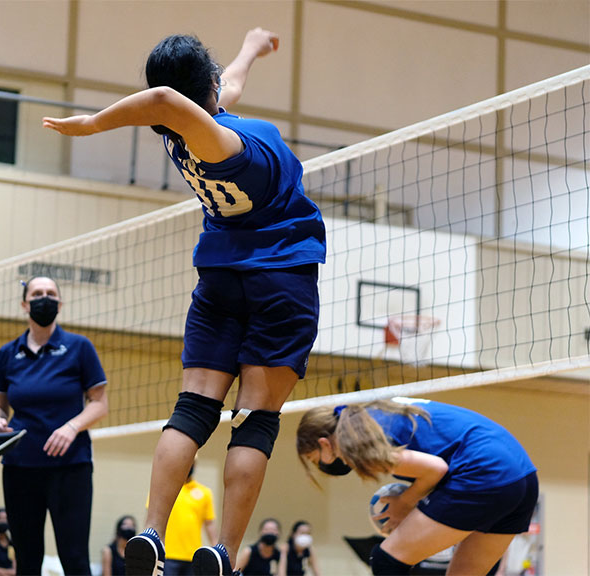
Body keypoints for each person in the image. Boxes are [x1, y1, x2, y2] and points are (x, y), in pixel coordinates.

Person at [44, 27, 325, 576]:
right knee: (256, 417)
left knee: (195, 406)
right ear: (208, 89)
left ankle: (152, 529)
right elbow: (168, 99)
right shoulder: (229, 143)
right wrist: (92, 124)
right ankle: (225, 551)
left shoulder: (187, 136)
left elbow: (193, 98)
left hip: (220, 275)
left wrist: (248, 49)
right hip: (281, 277)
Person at [295, 397, 538, 576]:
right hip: (522, 475)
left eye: (316, 460)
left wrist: (405, 503)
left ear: (325, 443)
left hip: (485, 470)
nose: (321, 467)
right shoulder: (373, 413)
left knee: (385, 560)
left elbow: (435, 468)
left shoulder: (362, 439)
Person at [0, 276, 109, 576]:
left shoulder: (79, 347)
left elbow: (100, 403)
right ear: (24, 304)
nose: (45, 298)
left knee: (75, 558)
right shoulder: (7, 354)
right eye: (38, 293)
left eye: (51, 293)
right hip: (20, 467)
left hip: (70, 468)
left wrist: (71, 427)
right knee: (27, 561)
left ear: (60, 303)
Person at [161, 461, 218, 576]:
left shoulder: (204, 493)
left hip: (194, 556)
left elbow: (209, 524)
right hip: (168, 554)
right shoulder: (165, 489)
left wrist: (216, 549)